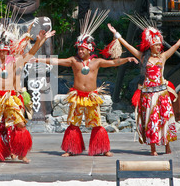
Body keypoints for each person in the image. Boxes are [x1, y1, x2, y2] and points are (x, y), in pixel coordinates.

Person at [36, 9, 138, 157]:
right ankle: (71, 149)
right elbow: (55, 61)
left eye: (83, 49)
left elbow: (113, 62)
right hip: (77, 96)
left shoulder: (96, 62)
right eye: (79, 49)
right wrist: (39, 59)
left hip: (91, 96)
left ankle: (102, 149)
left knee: (97, 123)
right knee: (73, 124)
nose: (80, 51)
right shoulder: (73, 60)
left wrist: (126, 59)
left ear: (89, 49)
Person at [0, 21, 54, 163]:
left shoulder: (15, 62)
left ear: (8, 50)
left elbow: (30, 53)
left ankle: (21, 153)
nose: (2, 53)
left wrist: (39, 42)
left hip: (11, 97)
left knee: (20, 125)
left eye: (4, 50)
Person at [107, 15, 180, 156]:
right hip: (148, 95)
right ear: (150, 45)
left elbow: (175, 46)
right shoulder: (144, 58)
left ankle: (167, 147)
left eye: (158, 45)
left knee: (165, 120)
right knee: (151, 121)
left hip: (162, 94)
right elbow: (129, 47)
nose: (158, 47)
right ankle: (153, 149)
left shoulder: (163, 57)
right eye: (155, 45)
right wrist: (116, 35)